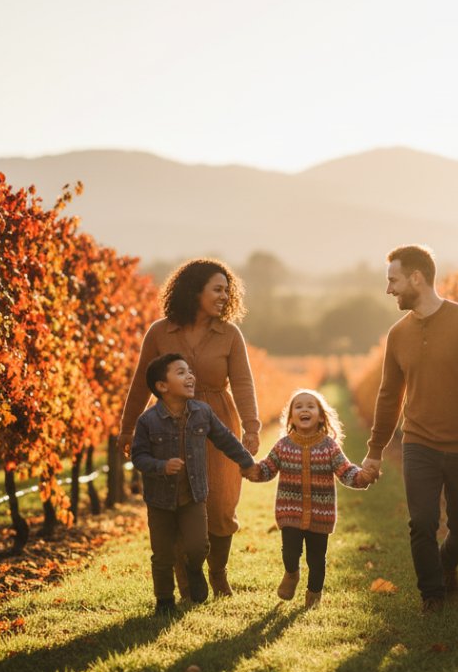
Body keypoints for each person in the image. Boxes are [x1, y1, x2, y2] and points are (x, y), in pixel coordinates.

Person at [360, 245, 458, 613]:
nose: (389, 290)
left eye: (393, 280)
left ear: (416, 278)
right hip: (419, 442)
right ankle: (433, 596)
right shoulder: (397, 335)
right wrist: (375, 451)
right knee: (422, 522)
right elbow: (389, 395)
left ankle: (445, 564)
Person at [119, 259, 260, 598]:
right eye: (217, 289)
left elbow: (242, 382)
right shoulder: (159, 332)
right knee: (178, 499)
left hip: (217, 420)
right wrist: (127, 430)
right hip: (168, 426)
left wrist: (252, 428)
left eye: (228, 290)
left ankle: (218, 572)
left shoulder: (230, 334)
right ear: (195, 291)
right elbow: (141, 383)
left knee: (222, 503)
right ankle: (187, 577)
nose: (225, 296)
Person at [130, 353, 256, 616]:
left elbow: (226, 439)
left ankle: (194, 568)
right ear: (162, 386)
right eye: (181, 372)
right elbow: (138, 456)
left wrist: (246, 462)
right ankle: (164, 600)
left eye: (190, 371)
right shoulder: (147, 421)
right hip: (160, 500)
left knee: (198, 545)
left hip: (193, 495)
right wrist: (160, 466)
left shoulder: (202, 413)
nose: (190, 376)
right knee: (162, 555)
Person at [244, 389, 373, 608]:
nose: (305, 410)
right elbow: (268, 468)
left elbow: (345, 471)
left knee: (316, 559)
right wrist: (253, 470)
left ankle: (314, 595)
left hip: (320, 514)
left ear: (321, 416)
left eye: (310, 406)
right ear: (291, 417)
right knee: (290, 552)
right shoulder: (283, 445)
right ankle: (291, 574)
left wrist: (362, 477)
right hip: (290, 511)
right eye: (299, 406)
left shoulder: (329, 447)